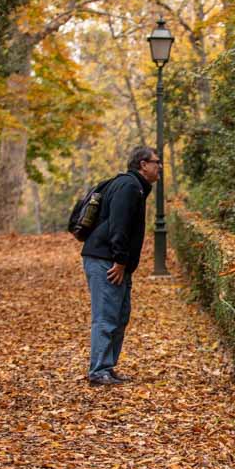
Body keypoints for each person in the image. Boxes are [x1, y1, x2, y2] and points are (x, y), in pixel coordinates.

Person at [80, 146, 160, 385]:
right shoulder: (129, 187)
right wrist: (120, 260)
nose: (160, 167)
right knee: (106, 316)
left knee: (119, 315)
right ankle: (98, 371)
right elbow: (119, 226)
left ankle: (107, 366)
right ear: (143, 164)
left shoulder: (133, 186)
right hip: (107, 260)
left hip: (110, 259)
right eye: (157, 162)